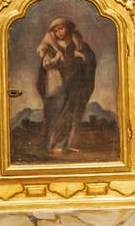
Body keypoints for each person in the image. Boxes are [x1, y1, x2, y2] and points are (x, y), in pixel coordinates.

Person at [36, 17, 96, 154]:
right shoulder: (51, 48)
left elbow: (90, 60)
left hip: (76, 84)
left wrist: (82, 57)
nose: (59, 32)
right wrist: (64, 59)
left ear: (68, 28)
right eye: (56, 30)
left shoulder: (79, 44)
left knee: (72, 113)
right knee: (58, 113)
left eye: (61, 28)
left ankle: (66, 144)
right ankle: (53, 145)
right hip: (59, 88)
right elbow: (45, 69)